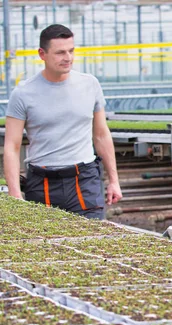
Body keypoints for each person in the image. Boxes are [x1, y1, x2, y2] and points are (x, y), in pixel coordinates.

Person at [3, 24, 122, 219]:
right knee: (45, 244)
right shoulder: (23, 93)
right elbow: (12, 146)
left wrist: (114, 180)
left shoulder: (90, 84)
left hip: (84, 180)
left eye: (71, 50)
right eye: (60, 52)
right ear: (42, 54)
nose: (68, 58)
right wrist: (15, 193)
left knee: (94, 238)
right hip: (43, 184)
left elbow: (101, 135)